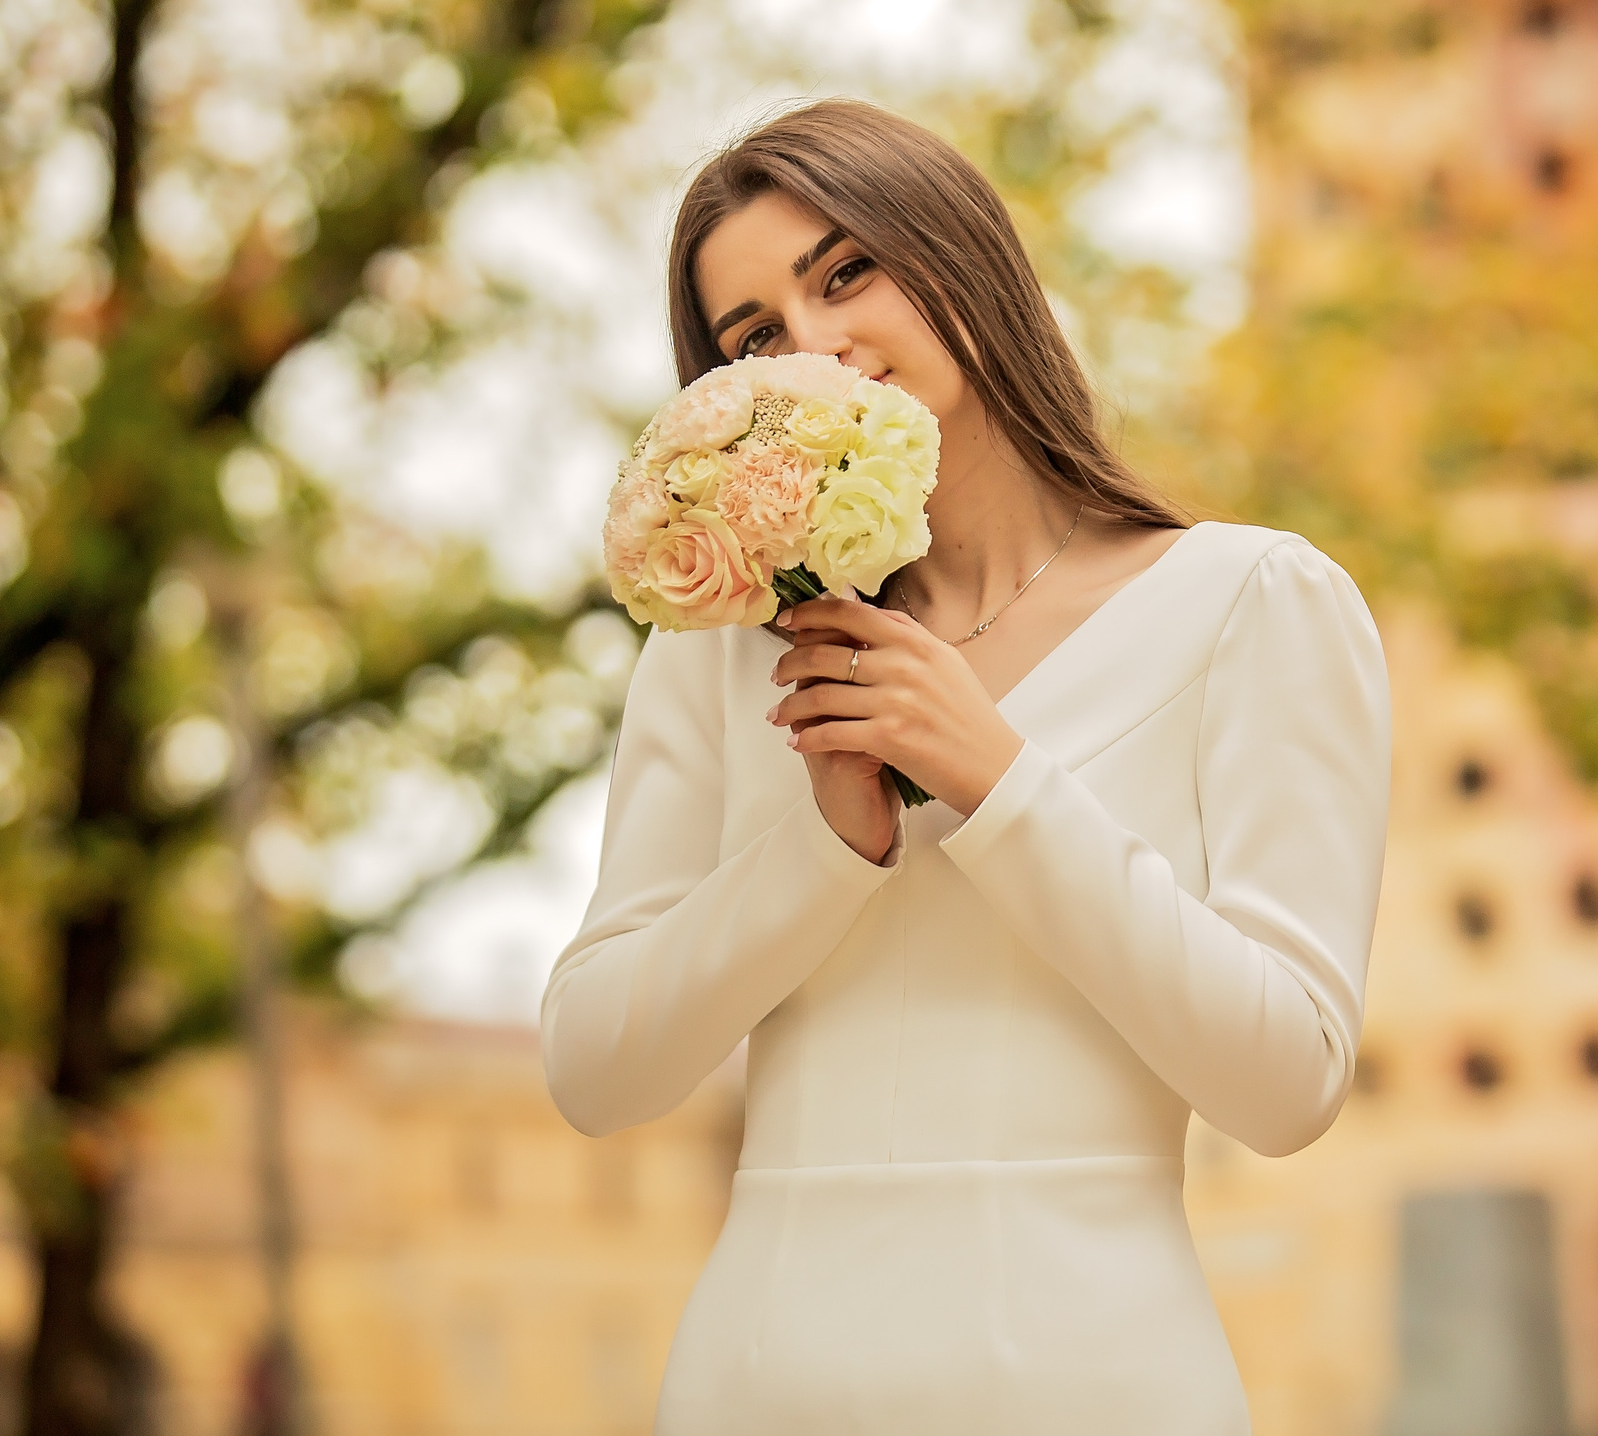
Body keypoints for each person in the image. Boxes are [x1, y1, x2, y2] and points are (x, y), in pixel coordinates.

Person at [540, 98, 1389, 1433]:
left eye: (845, 273)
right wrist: (825, 847)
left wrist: (999, 779)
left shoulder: (1252, 604)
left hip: (1100, 1386)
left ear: (960, 259)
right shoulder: (715, 661)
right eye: (754, 335)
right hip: (760, 1388)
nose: (814, 346)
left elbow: (1288, 1079)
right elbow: (598, 1071)